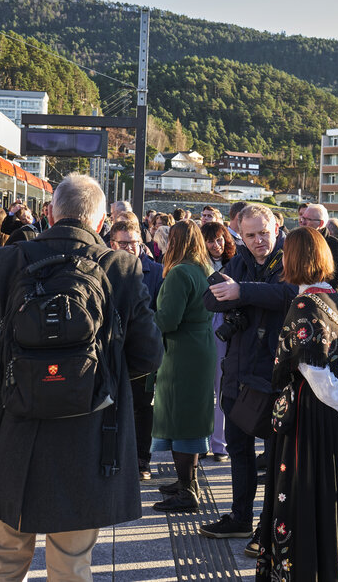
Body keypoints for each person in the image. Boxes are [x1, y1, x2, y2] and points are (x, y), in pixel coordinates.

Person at [0, 174, 164, 581]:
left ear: (51, 213)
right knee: (72, 563)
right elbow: (149, 353)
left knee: (4, 557)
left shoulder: (10, 259)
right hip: (89, 435)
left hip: (13, 431)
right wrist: (94, 383)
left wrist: (20, 379)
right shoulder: (121, 267)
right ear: (101, 223)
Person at [255, 226, 338, 581]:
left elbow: (314, 371)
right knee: (334, 495)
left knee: (304, 494)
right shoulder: (335, 298)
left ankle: (305, 571)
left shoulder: (303, 305)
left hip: (311, 416)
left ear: (291, 259)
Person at [201, 204, 297, 553]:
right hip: (237, 373)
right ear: (239, 233)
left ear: (276, 227)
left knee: (274, 459)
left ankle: (269, 526)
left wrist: (243, 292)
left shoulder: (291, 259)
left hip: (272, 376)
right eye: (250, 235)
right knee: (239, 450)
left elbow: (292, 294)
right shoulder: (238, 260)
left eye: (263, 233)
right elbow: (209, 300)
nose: (258, 241)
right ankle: (240, 517)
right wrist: (229, 295)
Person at [151, 221, 218, 512]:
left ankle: (187, 491)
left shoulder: (179, 273)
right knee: (191, 416)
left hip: (182, 353)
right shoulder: (205, 269)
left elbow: (168, 320)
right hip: (201, 346)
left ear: (175, 242)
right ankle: (186, 483)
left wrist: (146, 319)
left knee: (181, 419)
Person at [109, 218, 164, 480]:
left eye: (134, 243)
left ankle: (143, 460)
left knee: (143, 409)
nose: (130, 248)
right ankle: (116, 455)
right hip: (111, 351)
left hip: (141, 354)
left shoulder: (156, 271)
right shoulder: (103, 270)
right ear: (112, 244)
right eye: (124, 243)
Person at [202, 222, 237, 461]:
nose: (217, 245)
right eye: (211, 240)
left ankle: (220, 443)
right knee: (203, 387)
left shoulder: (235, 264)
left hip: (224, 325)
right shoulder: (197, 265)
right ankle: (200, 440)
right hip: (202, 325)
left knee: (221, 386)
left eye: (220, 239)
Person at [297, 203, 338, 304]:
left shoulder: (334, 245)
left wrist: (319, 299)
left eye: (307, 219)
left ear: (320, 223)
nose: (302, 222)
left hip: (327, 306)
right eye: (302, 218)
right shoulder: (303, 241)